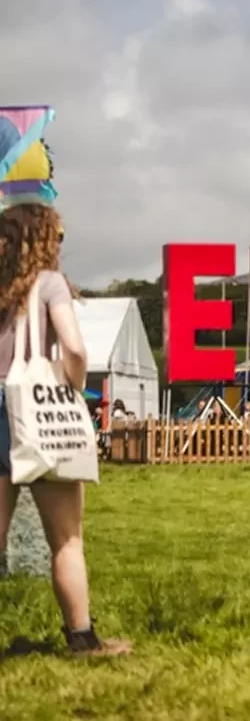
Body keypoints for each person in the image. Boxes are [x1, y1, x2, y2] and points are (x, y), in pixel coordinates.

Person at [0, 200, 130, 656]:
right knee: (67, 539)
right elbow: (74, 347)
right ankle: (81, 638)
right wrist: (72, 380)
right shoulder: (50, 284)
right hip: (37, 415)